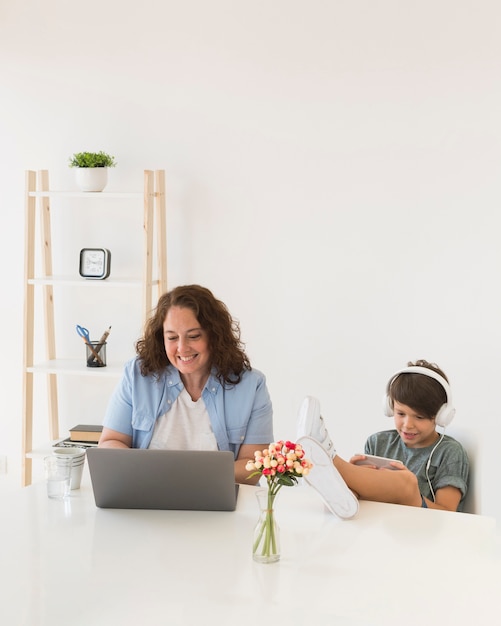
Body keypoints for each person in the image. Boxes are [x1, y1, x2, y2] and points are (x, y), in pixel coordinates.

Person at [99, 284, 274, 484]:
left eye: (193, 336)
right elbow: (109, 443)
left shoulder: (252, 386)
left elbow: (253, 466)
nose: (182, 348)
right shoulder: (137, 375)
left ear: (214, 335)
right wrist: (148, 471)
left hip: (217, 503)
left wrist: (187, 478)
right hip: (147, 496)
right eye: (172, 337)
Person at [296, 360, 469, 519]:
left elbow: (448, 513)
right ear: (390, 407)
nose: (408, 425)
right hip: (383, 523)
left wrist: (414, 496)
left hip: (421, 524)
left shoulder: (450, 451)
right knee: (355, 490)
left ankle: (332, 463)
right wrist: (360, 478)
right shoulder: (378, 442)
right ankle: (340, 484)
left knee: (406, 481)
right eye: (401, 414)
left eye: (420, 417)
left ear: (440, 416)